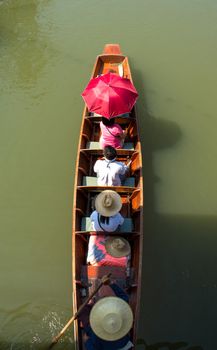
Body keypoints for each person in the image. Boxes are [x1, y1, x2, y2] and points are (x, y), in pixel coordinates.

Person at [79, 283, 134, 350]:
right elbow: (124, 298)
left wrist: (87, 342)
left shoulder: (95, 333)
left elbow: (93, 348)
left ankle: (91, 305)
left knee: (83, 310)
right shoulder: (122, 316)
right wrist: (112, 284)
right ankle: (91, 305)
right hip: (124, 346)